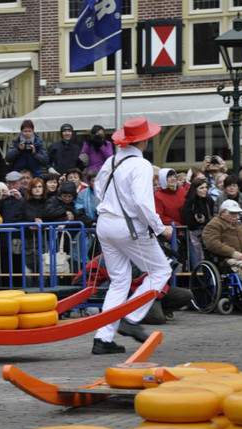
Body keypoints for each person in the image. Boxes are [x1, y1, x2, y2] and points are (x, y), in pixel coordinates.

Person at [91, 117, 173, 355]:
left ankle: (103, 338)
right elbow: (142, 203)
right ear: (145, 141)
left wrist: (111, 211)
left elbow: (99, 191)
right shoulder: (142, 165)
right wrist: (160, 228)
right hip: (128, 228)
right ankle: (130, 318)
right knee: (160, 271)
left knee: (119, 281)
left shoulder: (112, 160)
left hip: (105, 223)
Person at [182, 177, 214, 268]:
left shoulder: (209, 201)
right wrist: (200, 222)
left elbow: (213, 218)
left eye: (206, 187)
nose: (205, 190)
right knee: (197, 262)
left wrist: (204, 221)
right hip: (194, 235)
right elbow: (189, 222)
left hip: (208, 234)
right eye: (201, 188)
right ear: (195, 189)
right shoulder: (189, 203)